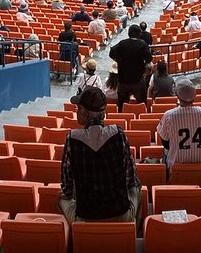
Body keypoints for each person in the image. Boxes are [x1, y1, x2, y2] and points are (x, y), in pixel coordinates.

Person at [58, 86, 140, 223]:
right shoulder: (118, 134)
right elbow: (130, 178)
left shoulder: (72, 138)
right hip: (120, 214)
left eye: (78, 108)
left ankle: (75, 238)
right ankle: (132, 231)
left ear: (85, 114)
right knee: (137, 189)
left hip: (85, 216)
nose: (77, 111)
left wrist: (70, 194)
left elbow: (66, 188)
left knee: (61, 198)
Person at [156, 80, 201, 172]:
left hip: (176, 169)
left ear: (177, 96)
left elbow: (165, 143)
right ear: (194, 95)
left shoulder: (169, 115)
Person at [109, 25, 152, 109]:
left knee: (122, 104)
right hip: (138, 80)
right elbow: (149, 58)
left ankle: (122, 118)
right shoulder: (142, 44)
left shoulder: (122, 43)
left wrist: (118, 61)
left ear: (129, 33)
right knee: (142, 103)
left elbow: (111, 53)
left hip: (123, 80)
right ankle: (142, 118)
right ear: (139, 34)